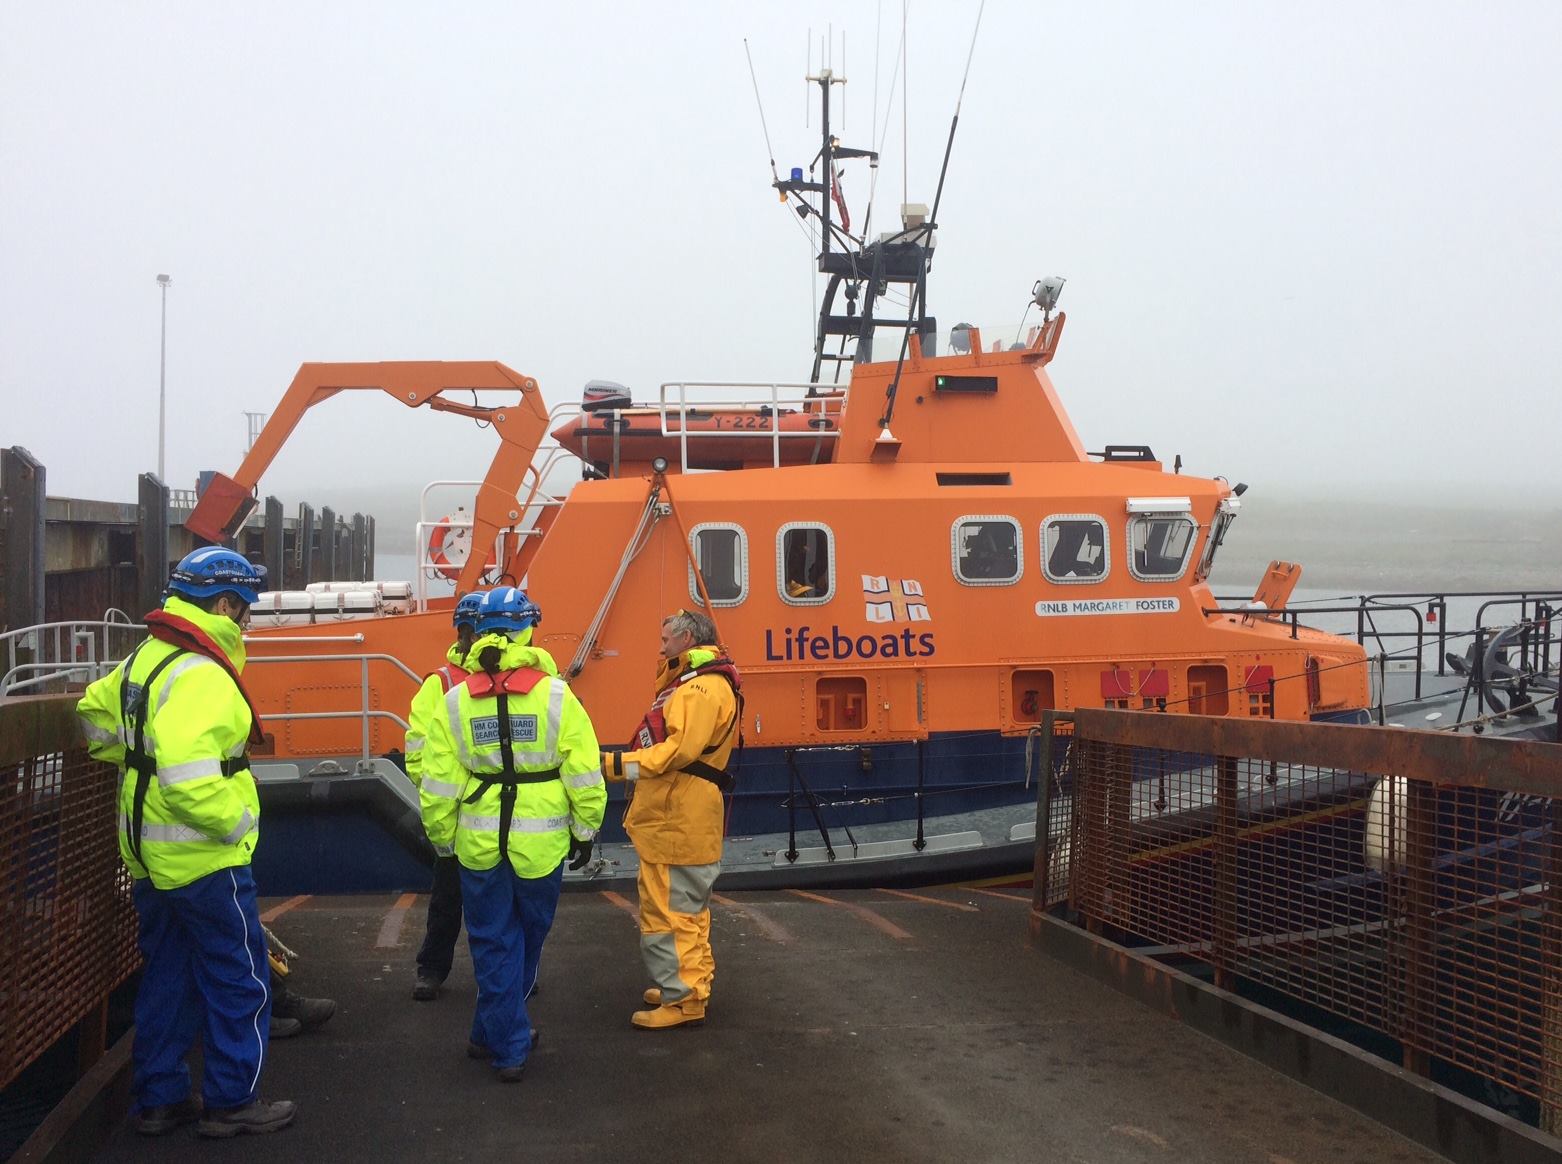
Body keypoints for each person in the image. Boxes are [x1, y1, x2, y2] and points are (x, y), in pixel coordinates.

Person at [76, 547, 296, 1138]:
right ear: (223, 604)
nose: (245, 620)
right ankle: (231, 1101)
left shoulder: (145, 658)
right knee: (239, 977)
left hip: (146, 854)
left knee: (168, 975)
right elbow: (187, 775)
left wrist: (128, 755)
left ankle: (160, 1099)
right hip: (203, 859)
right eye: (243, 608)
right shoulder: (204, 673)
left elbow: (94, 717)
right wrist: (237, 825)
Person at [419, 587, 605, 1082]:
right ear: (529, 630)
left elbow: (439, 784)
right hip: (542, 845)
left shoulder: (455, 703)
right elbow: (584, 773)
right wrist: (585, 831)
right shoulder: (559, 697)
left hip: (478, 845)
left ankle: (491, 1029)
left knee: (492, 942)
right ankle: (510, 1046)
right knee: (528, 936)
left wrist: (443, 838)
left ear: (478, 632)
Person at [601, 608, 742, 1031]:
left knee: (668, 911)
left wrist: (614, 764)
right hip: (684, 813)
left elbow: (677, 751)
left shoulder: (697, 690)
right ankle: (687, 985)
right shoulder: (706, 685)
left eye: (666, 639)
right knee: (688, 908)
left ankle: (683, 1002)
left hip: (678, 814)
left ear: (686, 640)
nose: (661, 647)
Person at [404, 589, 485, 1001]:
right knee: (448, 900)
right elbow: (418, 748)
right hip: (457, 814)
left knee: (495, 905)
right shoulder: (441, 683)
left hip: (490, 814)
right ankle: (432, 968)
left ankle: (506, 975)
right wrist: (436, 801)